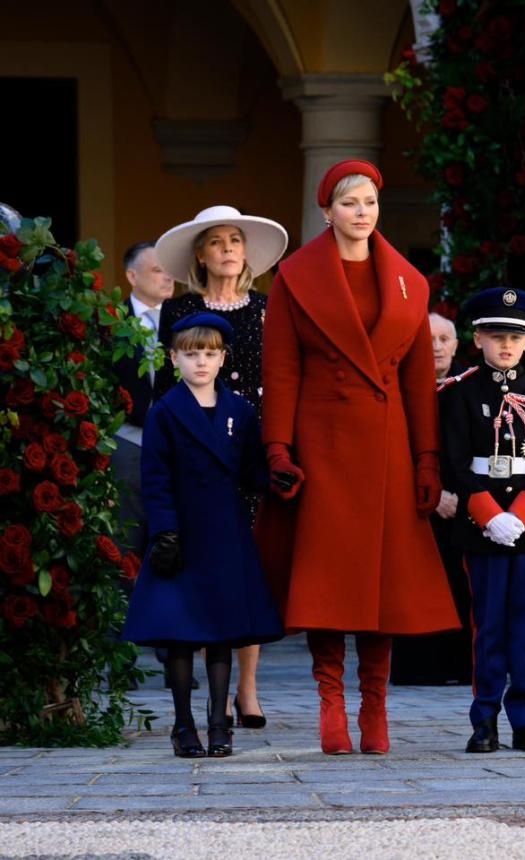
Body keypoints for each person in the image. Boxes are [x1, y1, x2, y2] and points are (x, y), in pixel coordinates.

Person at [257, 159, 460, 756]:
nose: (361, 212)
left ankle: (375, 705)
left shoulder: (409, 281)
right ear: (327, 211)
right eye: (349, 203)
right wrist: (278, 448)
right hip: (323, 443)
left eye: (369, 201)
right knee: (329, 579)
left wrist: (428, 459)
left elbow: (420, 382)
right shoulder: (294, 278)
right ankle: (330, 701)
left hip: (389, 445)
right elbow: (283, 371)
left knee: (385, 584)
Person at [120, 313, 284, 758]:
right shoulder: (167, 410)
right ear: (174, 358)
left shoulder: (239, 409)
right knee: (179, 633)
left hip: (225, 531)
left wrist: (276, 478)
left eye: (210, 354)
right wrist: (165, 531)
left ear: (223, 357)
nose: (201, 362)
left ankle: (218, 725)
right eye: (191, 354)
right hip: (180, 531)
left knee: (221, 632)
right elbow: (155, 477)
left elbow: (251, 469)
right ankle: (183, 724)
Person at [154, 205, 287, 730]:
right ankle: (206, 697)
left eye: (236, 240)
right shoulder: (179, 310)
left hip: (248, 447)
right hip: (194, 447)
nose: (229, 248)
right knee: (199, 566)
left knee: (246, 568)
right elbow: (166, 385)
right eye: (217, 241)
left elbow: (280, 380)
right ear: (201, 255)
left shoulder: (267, 308)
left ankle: (246, 690)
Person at [439, 287, 525, 754]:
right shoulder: (459, 391)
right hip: (481, 525)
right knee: (487, 623)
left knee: (523, 625)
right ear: (478, 339)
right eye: (497, 335)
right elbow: (455, 463)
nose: (506, 345)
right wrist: (490, 516)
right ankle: (484, 718)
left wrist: (519, 517)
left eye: (515, 336)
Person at [390, 311, 473, 687]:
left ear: (456, 345)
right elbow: (389, 448)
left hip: (467, 505)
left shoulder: (473, 386)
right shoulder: (398, 387)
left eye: (444, 339)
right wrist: (431, 493)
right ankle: (422, 668)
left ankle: (463, 666)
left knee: (464, 587)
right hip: (416, 503)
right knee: (418, 586)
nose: (437, 347)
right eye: (429, 339)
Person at [111, 241, 175, 688]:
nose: (166, 277)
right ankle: (120, 660)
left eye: (169, 270)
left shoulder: (183, 322)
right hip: (129, 444)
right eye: (156, 271)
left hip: (174, 449)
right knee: (124, 547)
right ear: (132, 277)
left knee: (171, 545)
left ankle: (175, 656)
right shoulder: (110, 323)